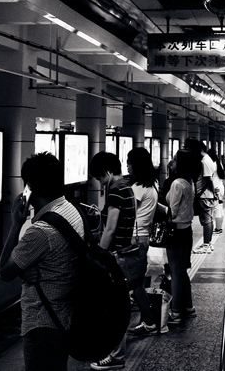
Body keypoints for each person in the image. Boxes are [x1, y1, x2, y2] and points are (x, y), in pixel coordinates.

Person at [0, 152, 84, 371]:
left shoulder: (40, 232)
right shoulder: (70, 209)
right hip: (65, 317)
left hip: (43, 324)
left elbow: (4, 270)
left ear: (29, 187)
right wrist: (25, 270)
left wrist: (16, 223)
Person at [88, 152, 137, 370]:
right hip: (126, 251)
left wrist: (99, 255)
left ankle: (116, 356)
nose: (99, 182)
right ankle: (116, 353)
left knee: (114, 307)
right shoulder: (127, 187)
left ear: (108, 172)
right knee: (119, 304)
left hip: (116, 254)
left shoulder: (116, 190)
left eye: (99, 177)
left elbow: (110, 228)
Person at [125, 147, 160, 336]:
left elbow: (129, 212)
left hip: (134, 238)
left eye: (129, 162)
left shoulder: (137, 188)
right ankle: (147, 321)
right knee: (138, 283)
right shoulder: (153, 184)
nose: (127, 166)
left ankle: (149, 322)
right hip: (144, 236)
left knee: (135, 284)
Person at [165, 149, 199, 324]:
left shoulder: (177, 183)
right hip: (186, 231)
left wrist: (158, 207)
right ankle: (188, 307)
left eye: (176, 159)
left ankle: (176, 311)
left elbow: (173, 210)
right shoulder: (189, 181)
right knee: (182, 271)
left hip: (176, 231)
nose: (173, 162)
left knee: (175, 272)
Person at [184, 138, 216, 254]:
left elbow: (209, 179)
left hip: (205, 195)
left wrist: (213, 194)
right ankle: (208, 243)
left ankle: (206, 244)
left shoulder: (205, 161)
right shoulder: (206, 159)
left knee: (206, 220)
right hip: (207, 194)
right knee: (208, 219)